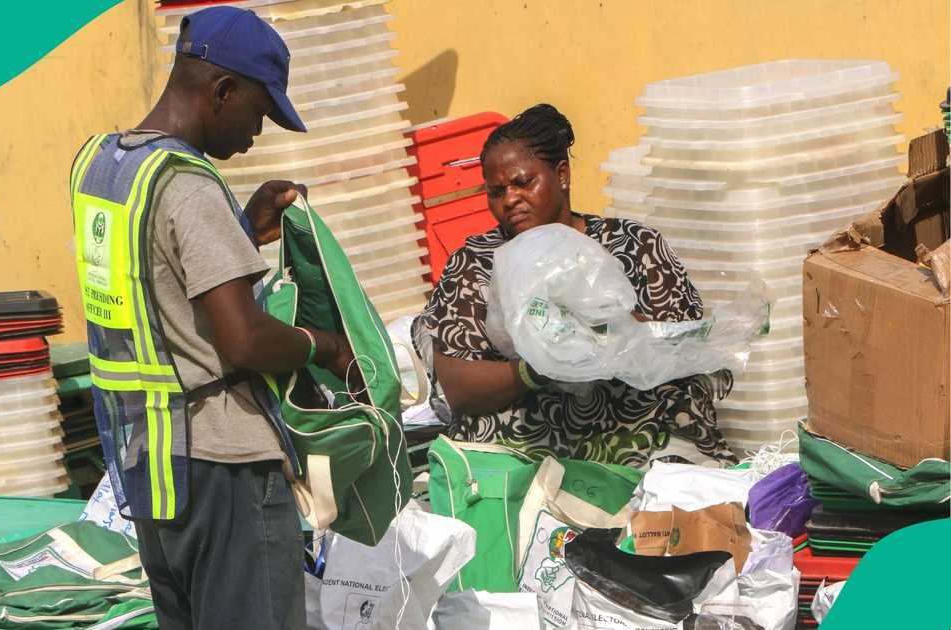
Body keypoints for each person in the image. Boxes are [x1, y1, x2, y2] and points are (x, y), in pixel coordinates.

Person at [70, 7, 353, 628]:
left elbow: (155, 281)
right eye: (259, 110)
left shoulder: (102, 167)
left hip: (153, 469)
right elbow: (244, 340)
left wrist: (241, 232)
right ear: (223, 90)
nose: (258, 131)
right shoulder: (189, 186)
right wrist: (322, 346)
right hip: (221, 469)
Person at [412, 104, 736, 468]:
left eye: (523, 182)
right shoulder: (475, 264)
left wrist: (618, 331)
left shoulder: (633, 245)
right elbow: (459, 388)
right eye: (496, 191)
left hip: (634, 438)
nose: (510, 200)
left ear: (561, 174)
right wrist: (535, 369)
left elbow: (687, 349)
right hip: (533, 454)